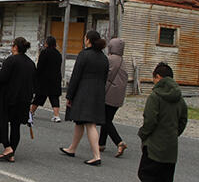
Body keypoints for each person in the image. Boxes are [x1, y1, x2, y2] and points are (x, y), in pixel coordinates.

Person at [137, 62, 187, 182]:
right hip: (171, 144)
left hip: (154, 144)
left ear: (158, 77)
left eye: (154, 78)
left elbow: (150, 120)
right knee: (165, 179)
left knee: (145, 173)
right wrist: (174, 133)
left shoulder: (155, 96)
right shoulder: (179, 97)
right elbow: (183, 120)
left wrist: (143, 134)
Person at [0, 37, 36, 162]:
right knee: (16, 126)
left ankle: (7, 147)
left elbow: (2, 78)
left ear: (15, 47)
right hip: (24, 99)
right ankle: (12, 152)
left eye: (12, 45)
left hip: (10, 98)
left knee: (3, 122)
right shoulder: (30, 63)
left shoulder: (11, 60)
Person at [60, 30, 109, 165]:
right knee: (80, 121)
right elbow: (105, 78)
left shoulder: (84, 55)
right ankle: (72, 148)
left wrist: (69, 95)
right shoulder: (104, 58)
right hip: (98, 92)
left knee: (90, 124)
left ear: (88, 40)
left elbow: (76, 76)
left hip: (84, 91)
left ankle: (96, 155)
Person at [100, 37, 129, 157]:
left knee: (104, 120)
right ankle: (101, 144)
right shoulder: (123, 61)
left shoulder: (110, 59)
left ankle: (119, 142)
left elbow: (106, 76)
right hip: (119, 96)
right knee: (107, 119)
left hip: (109, 94)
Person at [30, 36, 62, 123]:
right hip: (55, 78)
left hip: (44, 79)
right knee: (54, 97)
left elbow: (40, 66)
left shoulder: (44, 52)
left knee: (39, 96)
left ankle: (31, 112)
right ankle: (56, 115)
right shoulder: (58, 54)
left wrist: (36, 76)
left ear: (47, 43)